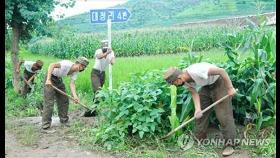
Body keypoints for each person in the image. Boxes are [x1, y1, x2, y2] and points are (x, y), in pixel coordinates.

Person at [164, 62, 237, 156]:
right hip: (206, 86)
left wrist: (230, 88)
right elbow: (194, 93)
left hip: (219, 82)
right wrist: (197, 109)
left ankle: (230, 144)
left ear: (179, 78)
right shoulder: (184, 82)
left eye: (174, 83)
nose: (174, 85)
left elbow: (222, 71)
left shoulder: (197, 71)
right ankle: (200, 138)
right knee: (199, 114)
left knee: (223, 115)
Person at [41, 57, 89, 130]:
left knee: (64, 99)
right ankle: (46, 125)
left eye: (83, 67)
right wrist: (48, 79)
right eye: (81, 65)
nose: (81, 68)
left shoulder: (75, 72)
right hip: (50, 77)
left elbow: (72, 84)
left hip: (58, 79)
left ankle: (64, 120)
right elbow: (52, 65)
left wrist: (75, 96)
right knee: (49, 101)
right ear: (77, 63)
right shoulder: (66, 64)